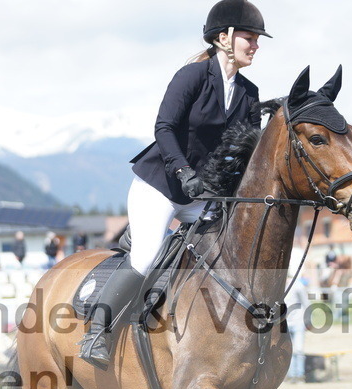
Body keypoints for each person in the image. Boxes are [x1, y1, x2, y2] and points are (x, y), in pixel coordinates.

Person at [79, 0, 270, 368]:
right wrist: (183, 172)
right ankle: (97, 333)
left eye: (257, 39)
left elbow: (247, 153)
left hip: (203, 195)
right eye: (250, 37)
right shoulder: (192, 77)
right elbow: (163, 128)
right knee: (147, 255)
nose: (256, 45)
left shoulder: (249, 93)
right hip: (162, 185)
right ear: (224, 38)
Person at [284, 274, 310, 382]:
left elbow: (306, 303)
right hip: (284, 323)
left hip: (298, 321)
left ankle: (299, 375)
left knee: (298, 350)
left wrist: (308, 321)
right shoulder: (278, 286)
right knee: (288, 351)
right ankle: (290, 375)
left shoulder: (297, 285)